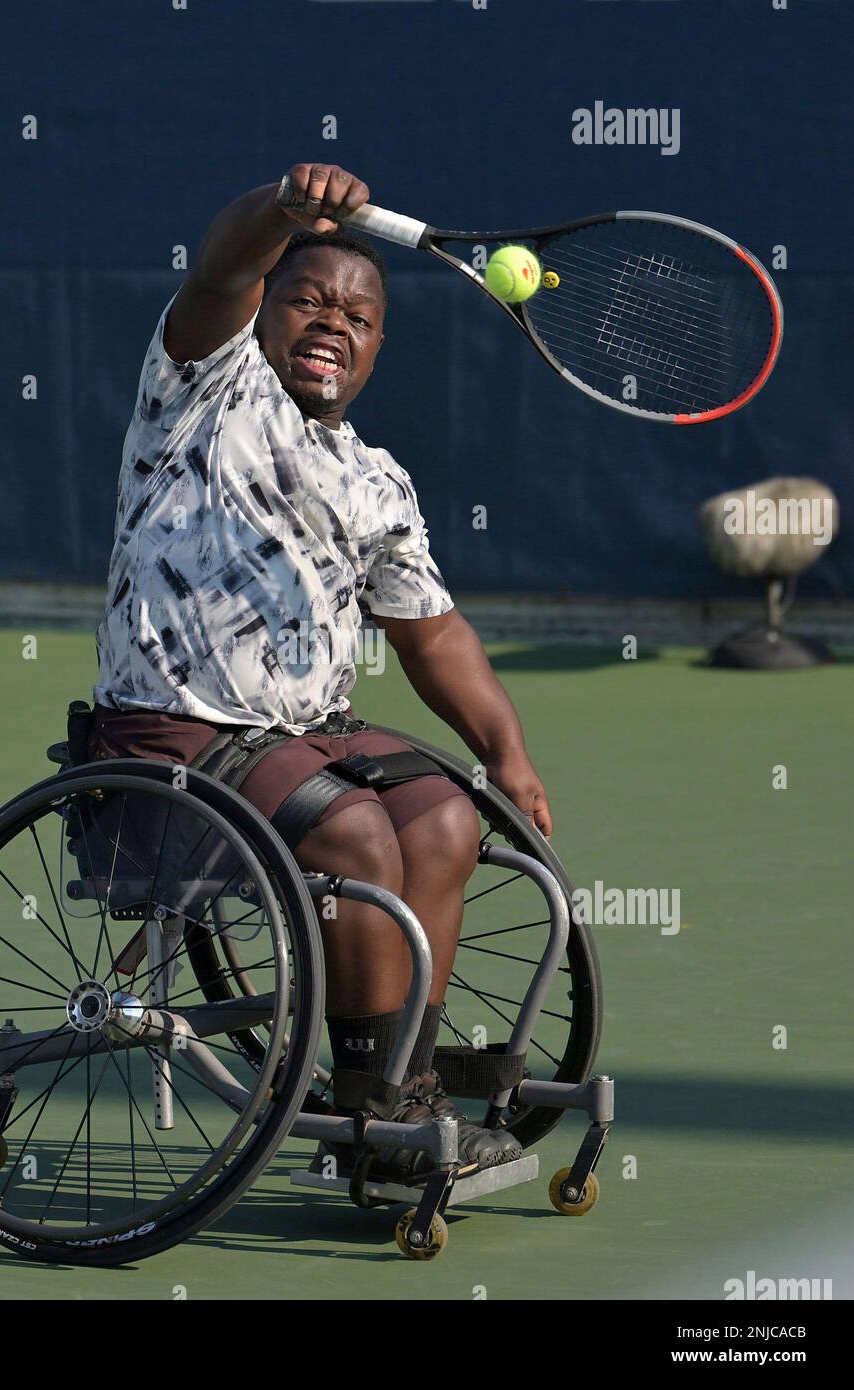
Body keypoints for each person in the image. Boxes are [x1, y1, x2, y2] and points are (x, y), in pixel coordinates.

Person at [88, 163, 552, 1178]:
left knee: (442, 818)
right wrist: (275, 213)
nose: (331, 322)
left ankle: (402, 1079)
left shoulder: (378, 479)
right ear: (265, 313)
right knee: (351, 832)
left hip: (300, 738)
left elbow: (429, 633)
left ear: (377, 345)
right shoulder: (201, 383)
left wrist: (505, 753)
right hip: (171, 737)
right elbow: (218, 272)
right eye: (306, 299)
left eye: (356, 314)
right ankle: (373, 1114)